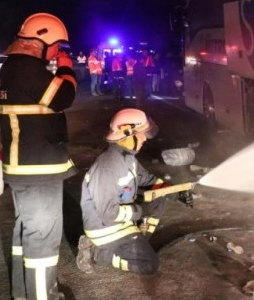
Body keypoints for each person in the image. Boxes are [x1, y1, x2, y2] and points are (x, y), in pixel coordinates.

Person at [0, 12, 83, 300]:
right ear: (41, 42)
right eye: (56, 45)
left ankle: (25, 295)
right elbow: (64, 96)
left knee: (26, 232)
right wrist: (66, 68)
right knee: (42, 237)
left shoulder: (11, 69)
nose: (57, 50)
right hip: (38, 168)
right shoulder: (28, 69)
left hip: (24, 167)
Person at [77, 108, 192, 274]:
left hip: (122, 220)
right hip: (105, 229)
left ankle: (139, 240)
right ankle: (97, 252)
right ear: (127, 134)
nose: (145, 138)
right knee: (149, 264)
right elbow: (108, 214)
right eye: (142, 134)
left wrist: (176, 193)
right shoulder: (106, 167)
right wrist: (140, 211)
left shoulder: (128, 158)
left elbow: (150, 181)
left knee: (159, 197)